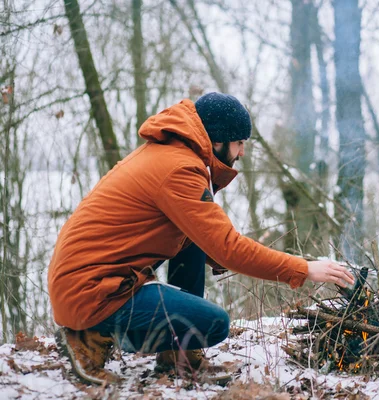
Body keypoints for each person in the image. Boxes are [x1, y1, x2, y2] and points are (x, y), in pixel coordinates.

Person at [48, 92, 355, 385]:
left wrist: (220, 252)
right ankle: (86, 339)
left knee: (193, 239)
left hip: (90, 283)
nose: (242, 152)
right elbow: (228, 247)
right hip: (90, 293)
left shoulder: (170, 155)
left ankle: (179, 358)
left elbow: (210, 240)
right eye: (239, 143)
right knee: (212, 323)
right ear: (217, 139)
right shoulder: (179, 169)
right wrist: (303, 268)